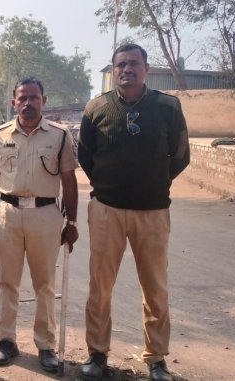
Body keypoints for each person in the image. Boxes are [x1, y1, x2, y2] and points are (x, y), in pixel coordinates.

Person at [77, 44, 190, 381]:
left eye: (134, 64)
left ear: (147, 68)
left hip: (153, 212)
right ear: (113, 70)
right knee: (100, 286)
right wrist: (111, 185)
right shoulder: (96, 107)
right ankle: (97, 354)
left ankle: (156, 359)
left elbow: (180, 155)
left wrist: (153, 183)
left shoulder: (168, 107)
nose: (127, 69)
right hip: (106, 210)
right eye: (121, 64)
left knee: (155, 287)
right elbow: (86, 156)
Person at [0, 77, 78, 373]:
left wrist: (71, 221)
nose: (28, 103)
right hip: (7, 212)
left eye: (34, 97)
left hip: (46, 215)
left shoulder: (59, 136)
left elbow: (69, 181)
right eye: (22, 98)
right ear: (13, 102)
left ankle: (45, 345)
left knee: (44, 284)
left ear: (43, 101)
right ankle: (6, 341)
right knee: (8, 281)